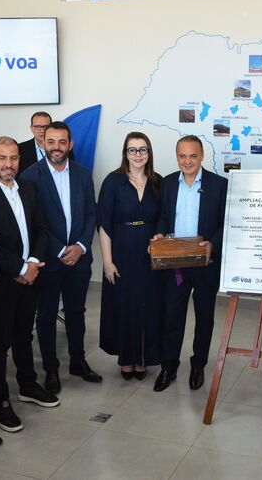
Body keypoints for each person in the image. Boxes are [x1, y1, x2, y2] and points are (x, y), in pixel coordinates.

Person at [0, 137, 58, 433]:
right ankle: (0, 402)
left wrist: (32, 263)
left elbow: (41, 229)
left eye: (13, 158)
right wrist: (20, 268)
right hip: (1, 281)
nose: (8, 164)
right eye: (2, 159)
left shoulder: (29, 187)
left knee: (24, 334)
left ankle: (27, 385)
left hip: (31, 276)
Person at [20, 121, 101, 393]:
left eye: (62, 142)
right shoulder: (30, 176)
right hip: (49, 259)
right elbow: (33, 221)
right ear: (43, 143)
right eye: (51, 142)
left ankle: (78, 361)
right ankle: (51, 369)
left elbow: (92, 213)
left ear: (70, 144)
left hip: (79, 258)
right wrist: (59, 249)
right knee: (46, 315)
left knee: (77, 312)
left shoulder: (82, 173)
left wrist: (80, 246)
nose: (56, 147)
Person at [152, 135, 228, 392]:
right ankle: (168, 366)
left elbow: (224, 223)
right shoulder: (168, 183)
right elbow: (162, 217)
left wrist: (212, 244)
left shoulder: (219, 185)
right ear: (177, 157)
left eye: (193, 156)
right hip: (176, 263)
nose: (188, 161)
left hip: (205, 263)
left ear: (202, 156)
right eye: (182, 156)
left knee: (204, 317)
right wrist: (161, 235)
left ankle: (198, 366)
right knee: (171, 315)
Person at [97, 132, 163, 379]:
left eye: (142, 149)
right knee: (124, 305)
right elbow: (104, 224)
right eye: (132, 150)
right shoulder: (112, 182)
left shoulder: (157, 182)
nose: (138, 155)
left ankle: (142, 357)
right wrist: (107, 261)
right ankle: (127, 359)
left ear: (149, 153)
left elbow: (163, 219)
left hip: (149, 254)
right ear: (125, 153)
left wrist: (158, 236)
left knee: (147, 305)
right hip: (121, 250)